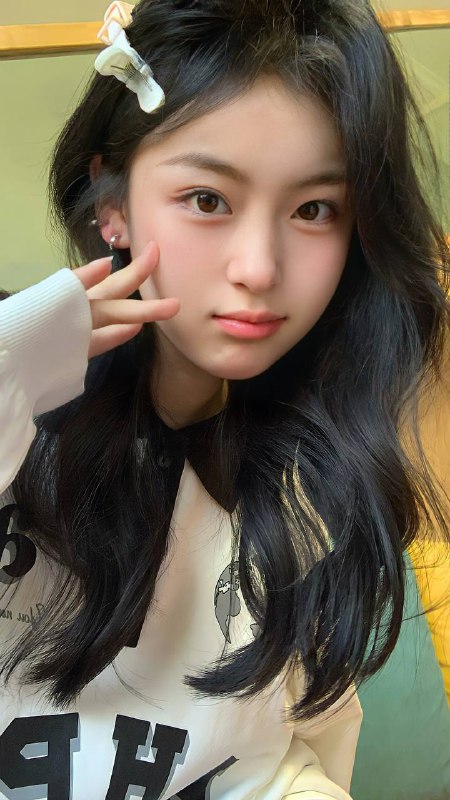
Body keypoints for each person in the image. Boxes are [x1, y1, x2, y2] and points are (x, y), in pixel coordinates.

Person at [0, 0, 448, 797]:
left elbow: (276, 757)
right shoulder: (19, 408)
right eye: (208, 199)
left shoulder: (317, 482)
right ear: (112, 206)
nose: (259, 268)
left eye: (313, 210)